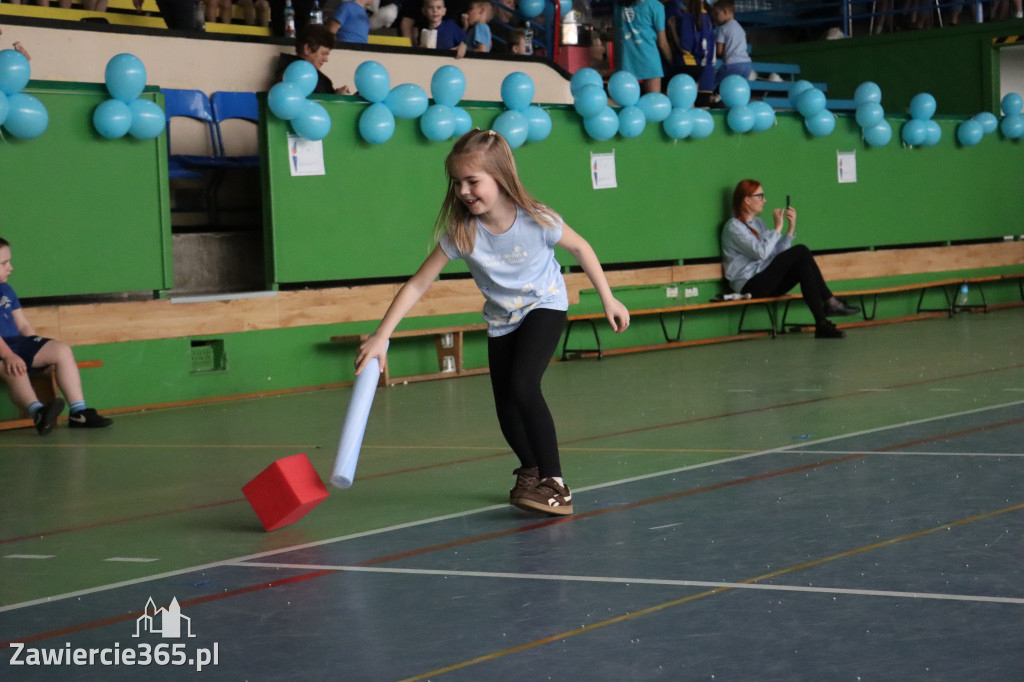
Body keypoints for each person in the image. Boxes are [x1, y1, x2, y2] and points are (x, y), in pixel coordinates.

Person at [354, 130, 630, 516]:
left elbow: (581, 247)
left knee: (523, 383)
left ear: (500, 177)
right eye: (457, 183)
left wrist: (608, 298)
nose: (464, 191)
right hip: (503, 318)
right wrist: (382, 336)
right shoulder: (463, 232)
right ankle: (531, 470)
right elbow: (418, 284)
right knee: (505, 404)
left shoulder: (538, 219)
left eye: (473, 181)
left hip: (544, 304)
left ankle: (557, 483)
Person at [0, 238, 113, 435]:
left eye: (9, 261)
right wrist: (9, 355)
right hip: (3, 351)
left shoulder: (6, 290)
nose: (11, 267)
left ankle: (79, 412)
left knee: (61, 350)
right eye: (4, 263)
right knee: (12, 367)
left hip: (15, 345)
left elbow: (24, 325)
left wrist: (38, 353)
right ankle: (38, 412)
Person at [720, 180, 860, 339]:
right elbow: (761, 253)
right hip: (749, 284)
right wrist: (777, 228)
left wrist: (790, 228)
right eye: (760, 196)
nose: (764, 200)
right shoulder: (733, 227)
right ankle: (830, 301)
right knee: (801, 250)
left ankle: (822, 324)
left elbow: (775, 256)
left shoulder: (759, 223)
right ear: (747, 200)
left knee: (802, 266)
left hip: (765, 279)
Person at [613, 0, 672, 94]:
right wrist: (672, 62)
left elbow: (616, 35)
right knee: (653, 103)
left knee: (627, 103)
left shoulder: (618, 6)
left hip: (626, 62)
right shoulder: (656, 6)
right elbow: (662, 43)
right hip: (650, 61)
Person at [274, 24, 353, 94]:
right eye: (323, 54)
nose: (326, 60)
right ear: (307, 49)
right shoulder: (290, 75)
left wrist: (336, 95)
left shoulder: (285, 69)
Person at [665, 0, 715, 106]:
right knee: (691, 101)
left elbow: (685, 48)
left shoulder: (687, 17)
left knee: (682, 104)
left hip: (686, 65)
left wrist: (673, 29)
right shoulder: (707, 18)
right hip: (699, 67)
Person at [712, 0, 752, 87]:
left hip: (732, 64)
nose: (715, 17)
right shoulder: (740, 28)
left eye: (716, 14)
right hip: (746, 64)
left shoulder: (723, 28)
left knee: (713, 84)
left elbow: (719, 51)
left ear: (725, 12)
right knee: (739, 87)